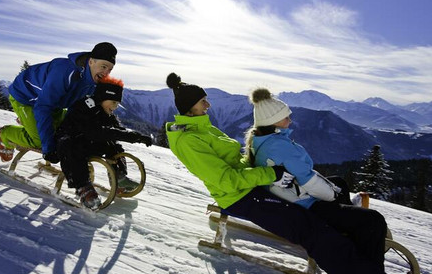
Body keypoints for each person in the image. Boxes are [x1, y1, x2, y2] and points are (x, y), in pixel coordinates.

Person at [165, 73, 386, 274]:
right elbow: (226, 180)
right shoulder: (188, 141)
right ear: (189, 107)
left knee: (316, 209)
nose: (209, 104)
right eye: (203, 101)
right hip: (238, 197)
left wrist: (263, 165)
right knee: (308, 228)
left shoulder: (203, 127)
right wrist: (271, 173)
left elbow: (236, 162)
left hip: (251, 185)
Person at [245, 87, 388, 274]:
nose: (290, 120)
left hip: (288, 196)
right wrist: (333, 195)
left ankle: (346, 228)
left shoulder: (262, 140)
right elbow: (309, 181)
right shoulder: (279, 146)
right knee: (373, 220)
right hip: (303, 204)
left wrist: (334, 190)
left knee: (339, 182)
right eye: (286, 117)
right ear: (273, 122)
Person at [0, 42, 117, 164]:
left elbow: (77, 109)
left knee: (59, 132)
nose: (106, 72)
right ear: (91, 61)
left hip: (54, 103)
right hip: (26, 97)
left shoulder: (93, 82)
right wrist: (48, 149)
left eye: (110, 69)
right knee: (40, 142)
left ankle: (30, 122)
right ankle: (5, 134)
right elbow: (43, 107)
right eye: (103, 66)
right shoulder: (65, 72)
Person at [55, 76, 152, 209]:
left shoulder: (105, 112)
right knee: (72, 150)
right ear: (102, 97)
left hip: (88, 141)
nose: (116, 107)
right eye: (113, 102)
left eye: (117, 104)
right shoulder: (85, 107)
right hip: (69, 140)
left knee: (113, 145)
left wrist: (137, 136)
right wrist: (131, 136)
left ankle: (119, 177)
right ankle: (83, 187)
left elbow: (115, 130)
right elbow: (96, 132)